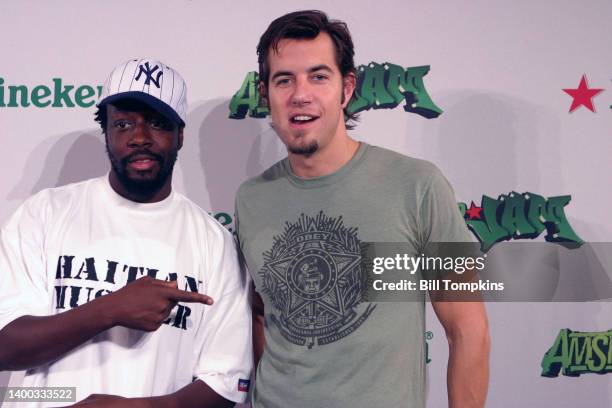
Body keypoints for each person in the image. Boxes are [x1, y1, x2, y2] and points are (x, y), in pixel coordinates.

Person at [235, 11, 490, 408]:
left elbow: (468, 330)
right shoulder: (250, 198)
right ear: (266, 92)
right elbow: (263, 313)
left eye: (318, 77)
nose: (300, 94)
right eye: (284, 79)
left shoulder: (418, 186)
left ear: (346, 88)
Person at [0, 58, 252, 408]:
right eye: (122, 123)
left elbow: (225, 385)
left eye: (157, 123)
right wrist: (109, 309)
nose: (140, 138)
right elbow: (5, 347)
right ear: (106, 132)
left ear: (180, 135)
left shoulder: (214, 242)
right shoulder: (45, 212)